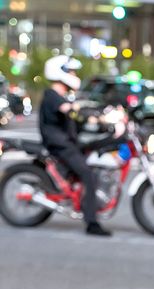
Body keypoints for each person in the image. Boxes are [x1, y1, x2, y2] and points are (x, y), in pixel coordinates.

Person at [39, 55, 111, 236]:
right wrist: (93, 116)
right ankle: (91, 223)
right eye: (71, 71)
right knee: (88, 175)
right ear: (60, 73)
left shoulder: (62, 97)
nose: (74, 74)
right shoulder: (52, 96)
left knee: (97, 147)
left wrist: (100, 116)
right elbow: (71, 111)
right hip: (60, 145)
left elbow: (76, 114)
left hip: (69, 142)